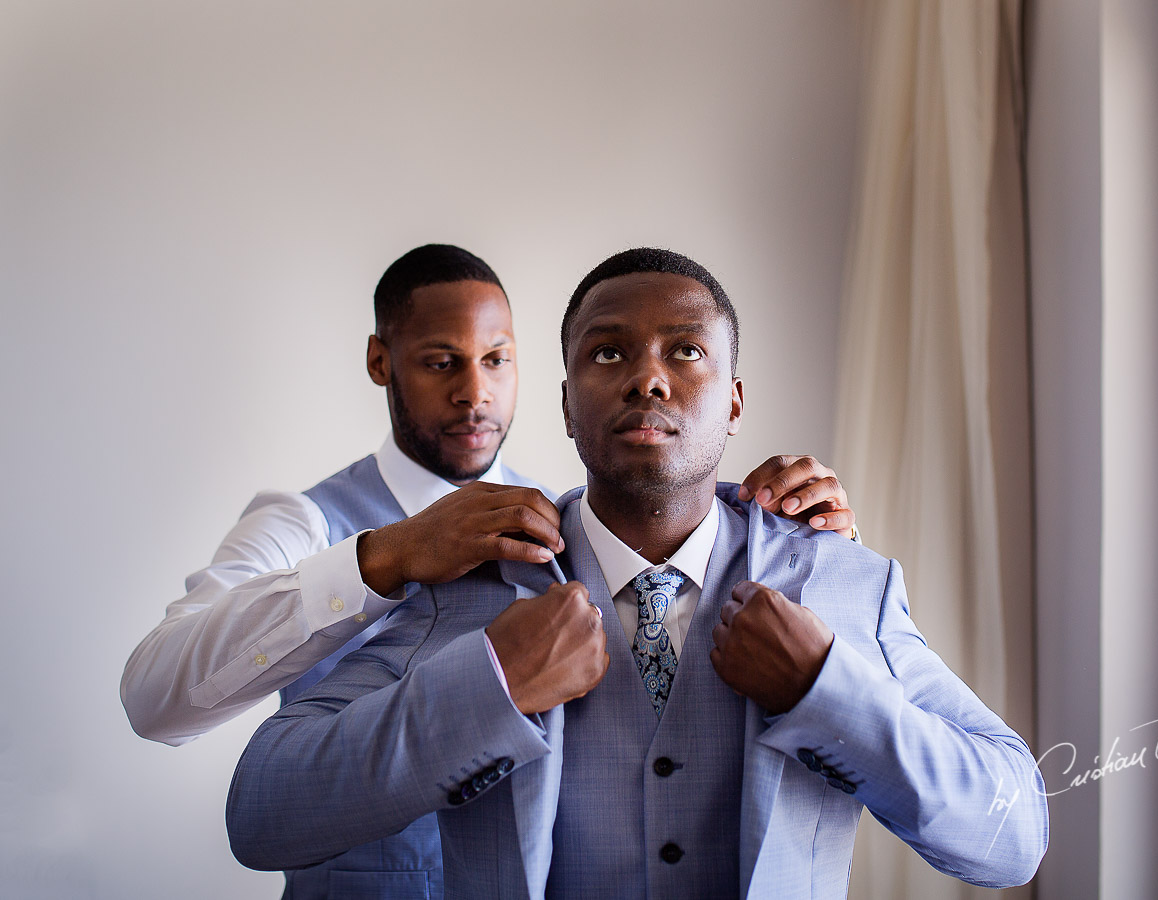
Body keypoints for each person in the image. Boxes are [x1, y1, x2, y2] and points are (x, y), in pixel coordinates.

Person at [225, 247, 1049, 896]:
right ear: (565, 404)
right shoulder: (469, 588)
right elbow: (261, 814)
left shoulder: (842, 581)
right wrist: (488, 687)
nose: (647, 376)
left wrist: (827, 692)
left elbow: (1013, 836)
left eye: (685, 350)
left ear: (732, 401)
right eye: (608, 351)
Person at [120, 244, 861, 899]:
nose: (474, 391)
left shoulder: (569, 532)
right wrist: (388, 556)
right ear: (381, 361)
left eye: (497, 360)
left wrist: (813, 562)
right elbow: (156, 699)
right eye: (441, 362)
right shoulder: (303, 521)